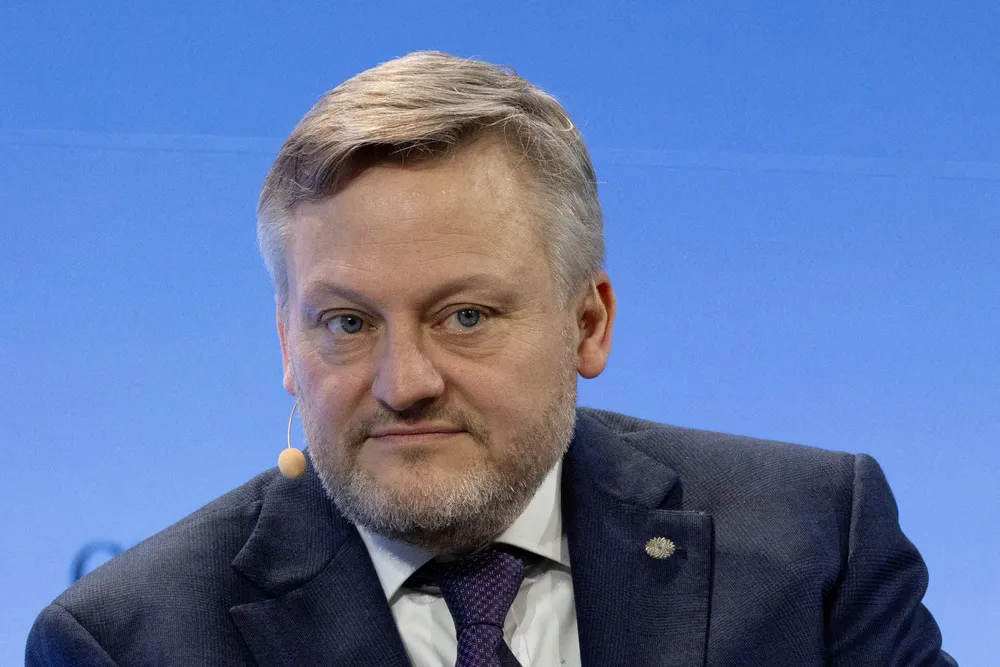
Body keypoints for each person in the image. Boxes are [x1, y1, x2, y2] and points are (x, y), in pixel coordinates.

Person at [26, 51, 955, 667]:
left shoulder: (811, 545)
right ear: (286, 344)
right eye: (346, 323)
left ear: (588, 323)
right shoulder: (129, 641)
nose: (404, 383)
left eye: (464, 316)